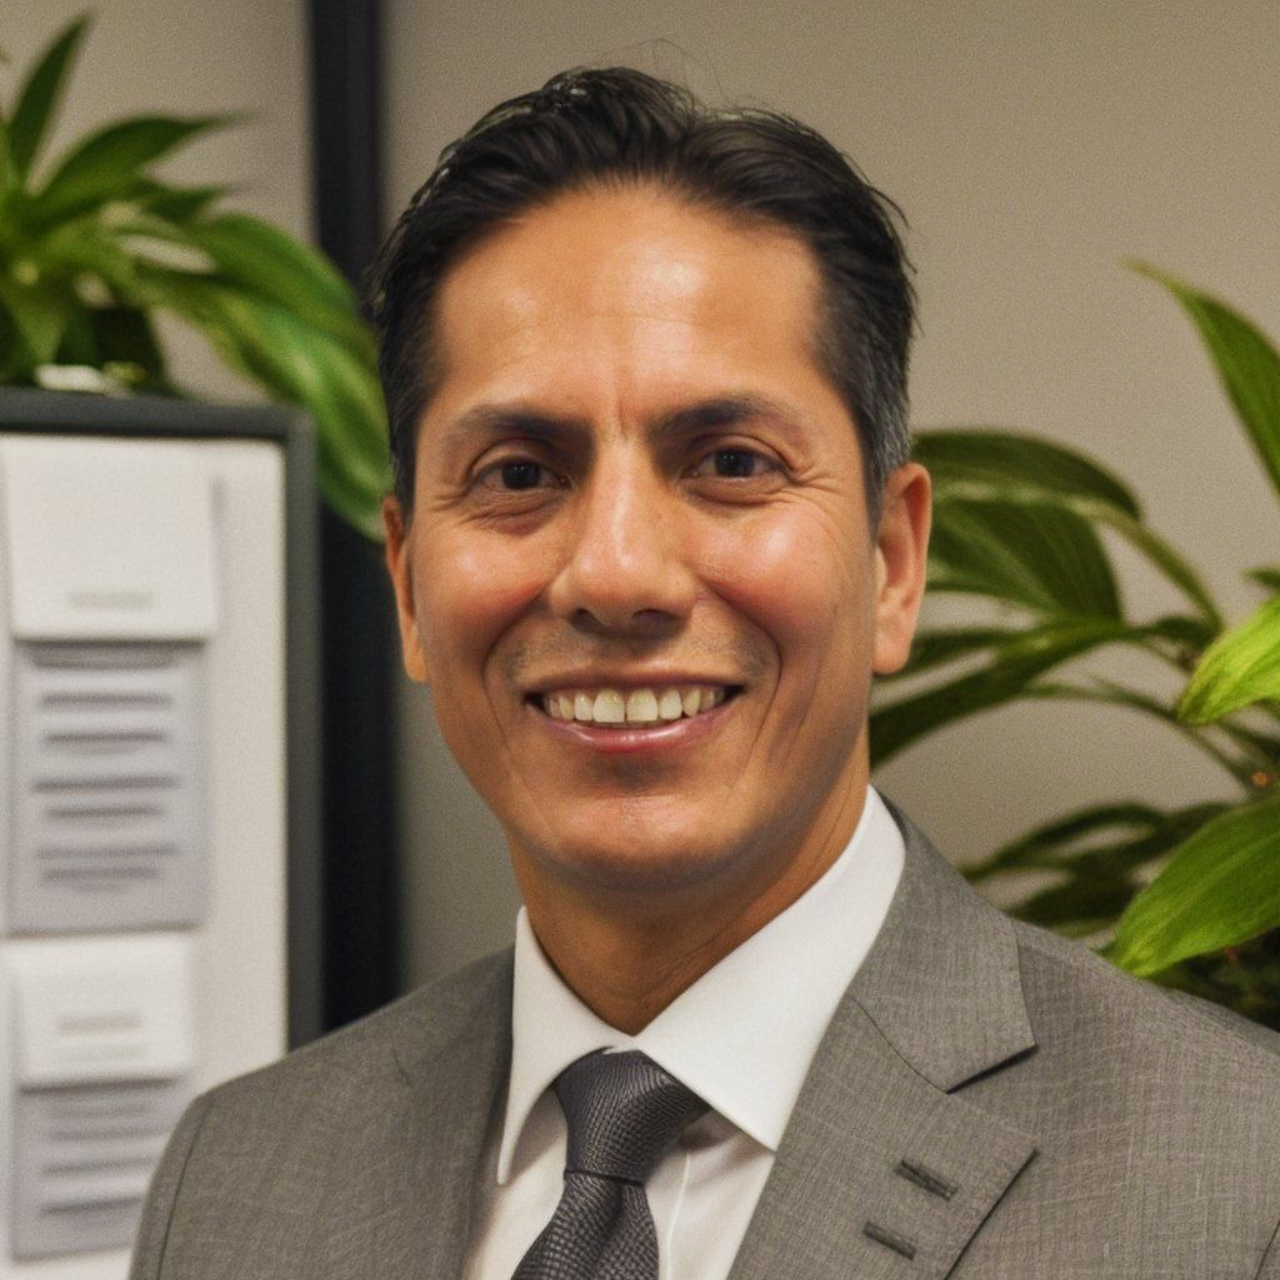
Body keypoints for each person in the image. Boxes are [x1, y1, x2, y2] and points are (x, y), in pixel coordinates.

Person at [131, 67, 1280, 1280]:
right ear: (411, 585)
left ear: (891, 563)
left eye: (729, 460)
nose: (615, 573)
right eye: (520, 473)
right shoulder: (241, 1175)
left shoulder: (1232, 1187)